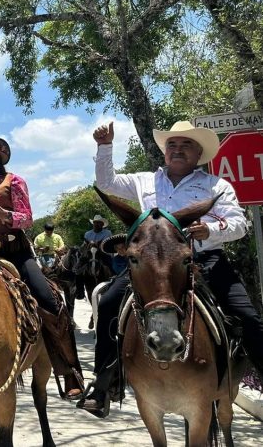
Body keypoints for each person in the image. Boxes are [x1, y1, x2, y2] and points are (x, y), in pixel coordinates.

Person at [78, 120, 263, 418]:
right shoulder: (144, 181)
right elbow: (107, 183)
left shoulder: (216, 186)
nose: (177, 149)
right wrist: (105, 147)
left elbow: (239, 224)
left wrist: (211, 230)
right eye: (172, 144)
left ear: (199, 153)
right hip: (153, 265)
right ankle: (103, 384)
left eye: (186, 144)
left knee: (246, 315)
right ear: (165, 152)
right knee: (109, 302)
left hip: (205, 259)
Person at [0, 132, 84, 398]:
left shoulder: (13, 181)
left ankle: (69, 370)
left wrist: (4, 215)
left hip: (13, 251)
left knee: (48, 299)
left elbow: (27, 218)